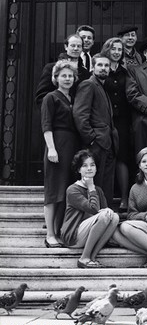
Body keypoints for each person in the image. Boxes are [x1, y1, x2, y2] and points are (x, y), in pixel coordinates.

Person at [41, 60, 80, 247]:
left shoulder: (73, 99)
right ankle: (49, 234)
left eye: (70, 76)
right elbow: (46, 125)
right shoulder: (51, 97)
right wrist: (52, 149)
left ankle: (58, 232)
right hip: (56, 146)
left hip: (71, 148)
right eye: (63, 75)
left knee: (65, 192)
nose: (67, 79)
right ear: (55, 78)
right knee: (53, 192)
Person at [73, 54, 119, 207]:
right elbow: (80, 115)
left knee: (105, 185)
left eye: (106, 66)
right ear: (93, 67)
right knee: (95, 183)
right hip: (96, 143)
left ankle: (106, 214)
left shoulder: (102, 87)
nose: (104, 68)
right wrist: (92, 139)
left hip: (108, 142)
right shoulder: (88, 84)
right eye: (100, 65)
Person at [60, 150, 119, 268]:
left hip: (91, 234)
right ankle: (84, 258)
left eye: (92, 165)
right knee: (105, 215)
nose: (89, 168)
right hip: (73, 235)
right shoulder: (73, 190)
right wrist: (91, 187)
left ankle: (92, 257)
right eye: (84, 165)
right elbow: (94, 209)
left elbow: (104, 211)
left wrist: (108, 210)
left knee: (115, 217)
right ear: (78, 170)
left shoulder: (99, 190)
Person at [101, 37, 133, 212]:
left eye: (119, 50)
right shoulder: (101, 69)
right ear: (108, 49)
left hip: (122, 120)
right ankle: (104, 198)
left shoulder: (126, 72)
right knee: (106, 156)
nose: (116, 52)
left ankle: (124, 198)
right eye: (113, 48)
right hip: (104, 119)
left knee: (122, 157)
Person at [35, 34, 91, 108]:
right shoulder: (51, 68)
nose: (76, 49)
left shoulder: (85, 73)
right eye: (73, 45)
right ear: (66, 47)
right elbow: (41, 97)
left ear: (82, 49)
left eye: (79, 46)